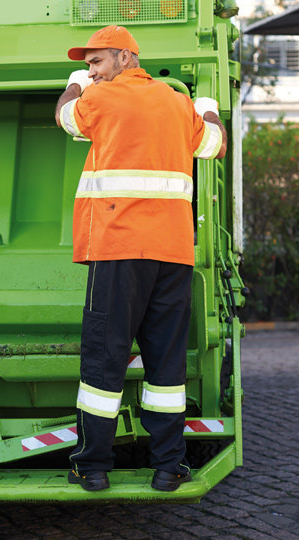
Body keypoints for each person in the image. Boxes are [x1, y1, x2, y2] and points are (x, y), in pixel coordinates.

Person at [55, 26, 227, 492]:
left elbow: (66, 118)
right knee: (166, 366)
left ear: (125, 58)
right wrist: (208, 109)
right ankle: (169, 467)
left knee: (104, 361)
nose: (92, 71)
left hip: (116, 252)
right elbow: (214, 145)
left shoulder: (101, 99)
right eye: (88, 66)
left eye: (97, 63)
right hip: (172, 255)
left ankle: (91, 466)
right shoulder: (176, 104)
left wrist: (75, 83)